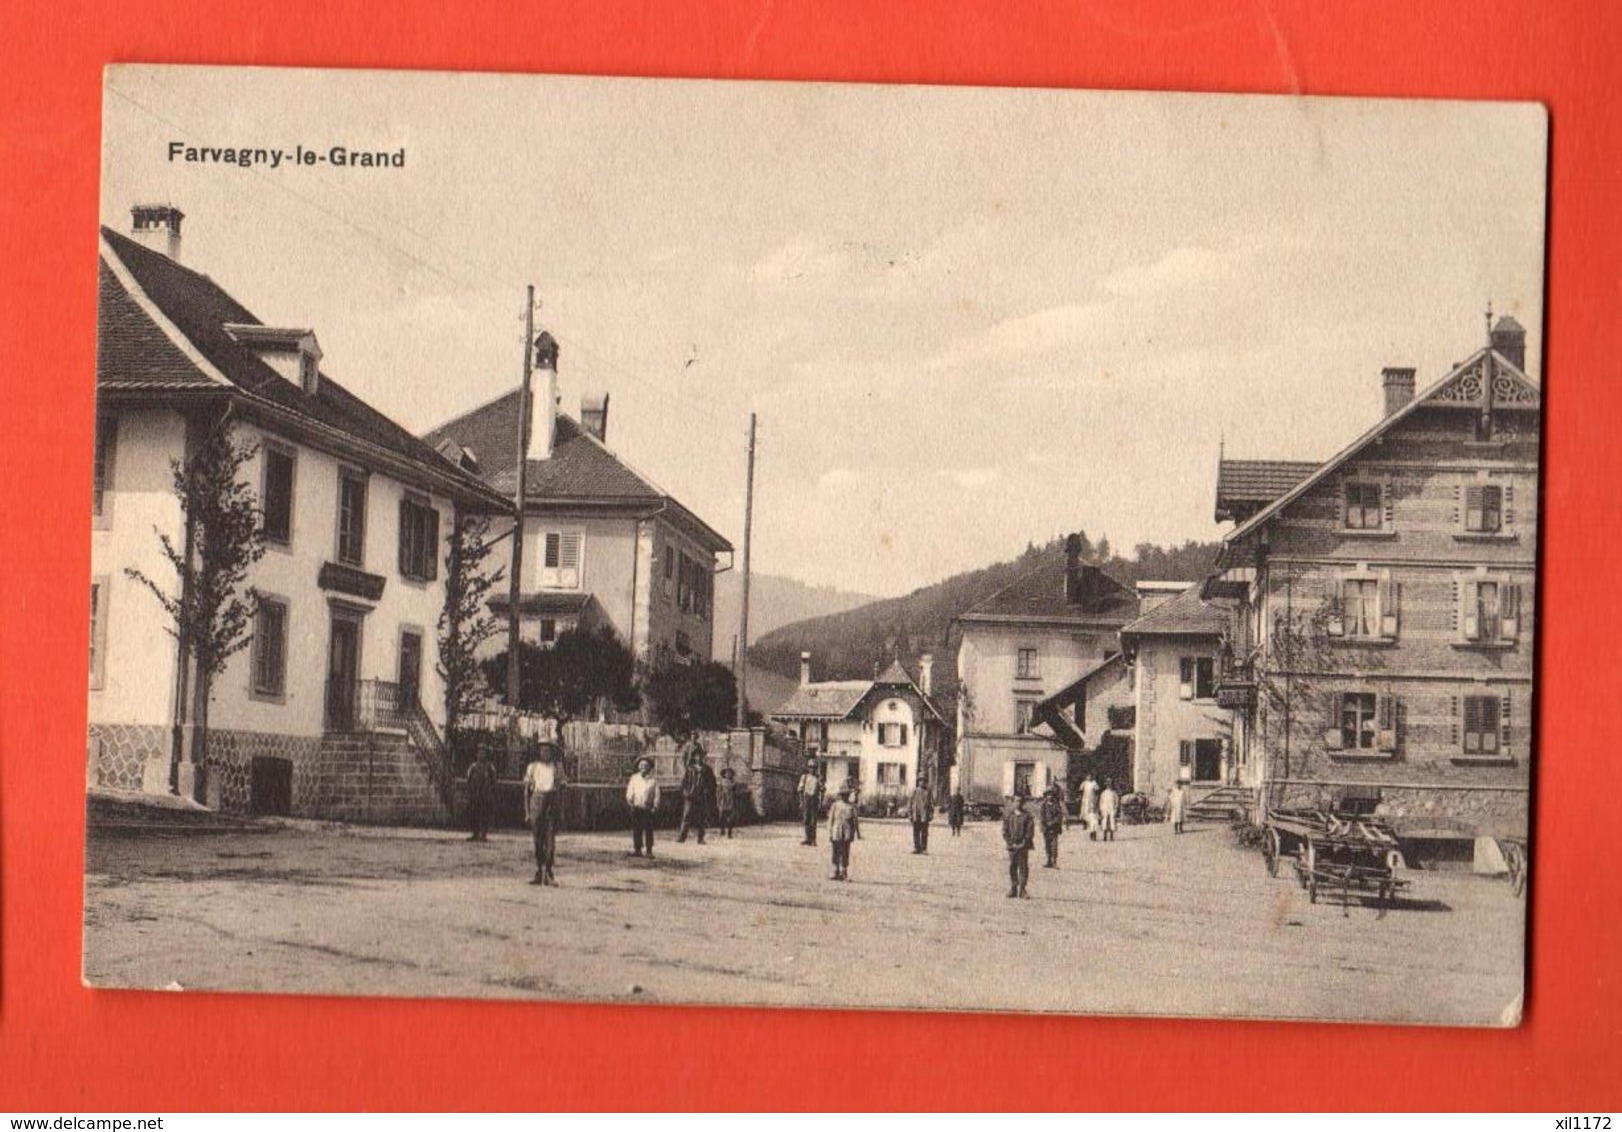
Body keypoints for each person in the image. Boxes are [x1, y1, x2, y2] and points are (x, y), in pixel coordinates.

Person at [524, 742, 565, 886]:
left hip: (552, 802)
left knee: (550, 840)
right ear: (539, 752)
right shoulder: (533, 767)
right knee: (537, 840)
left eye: (548, 750)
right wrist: (527, 812)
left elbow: (561, 789)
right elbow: (527, 791)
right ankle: (538, 871)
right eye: (543, 750)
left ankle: (548, 871)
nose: (545, 753)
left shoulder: (557, 767)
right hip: (537, 801)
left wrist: (560, 810)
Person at [676, 743, 715, 844]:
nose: (699, 758)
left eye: (701, 755)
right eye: (696, 755)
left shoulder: (707, 770)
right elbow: (684, 783)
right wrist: (686, 793)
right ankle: (682, 837)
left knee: (701, 817)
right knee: (686, 816)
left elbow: (712, 783)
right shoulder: (689, 770)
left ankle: (700, 838)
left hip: (702, 796)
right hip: (690, 796)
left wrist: (708, 792)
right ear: (693, 757)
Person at [625, 755, 661, 858]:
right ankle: (638, 849)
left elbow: (657, 795)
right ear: (638, 767)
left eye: (646, 766)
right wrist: (630, 802)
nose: (643, 767)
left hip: (648, 809)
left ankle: (649, 851)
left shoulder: (653, 781)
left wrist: (655, 806)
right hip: (636, 807)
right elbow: (630, 792)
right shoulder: (634, 778)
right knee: (637, 829)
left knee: (648, 829)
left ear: (649, 767)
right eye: (641, 765)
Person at [1002, 791, 1035, 898]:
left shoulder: (1027, 816)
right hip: (1012, 846)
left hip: (1023, 846)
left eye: (1021, 801)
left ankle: (1023, 889)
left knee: (1023, 867)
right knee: (1012, 866)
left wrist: (1023, 843)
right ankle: (1013, 888)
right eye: (1016, 801)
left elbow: (1030, 832)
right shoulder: (1008, 815)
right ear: (1012, 802)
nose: (1018, 803)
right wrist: (1010, 842)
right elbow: (1005, 831)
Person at [464, 748, 498, 842]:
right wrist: (470, 791)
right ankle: (475, 834)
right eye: (479, 753)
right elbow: (468, 778)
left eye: (483, 753)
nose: (481, 755)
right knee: (474, 815)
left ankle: (483, 835)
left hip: (485, 795)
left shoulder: (490, 766)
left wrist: (491, 791)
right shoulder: (473, 766)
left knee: (484, 815)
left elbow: (493, 780)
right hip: (475, 795)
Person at [827, 787, 860, 881]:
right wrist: (830, 832)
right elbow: (831, 819)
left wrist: (856, 833)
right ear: (840, 796)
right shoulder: (835, 805)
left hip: (847, 830)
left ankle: (843, 871)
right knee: (835, 851)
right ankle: (835, 871)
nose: (844, 797)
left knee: (845, 851)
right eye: (843, 795)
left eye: (846, 795)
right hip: (836, 830)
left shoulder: (851, 806)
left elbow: (855, 821)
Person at [797, 757, 824, 846]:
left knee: (813, 820)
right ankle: (807, 838)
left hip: (814, 799)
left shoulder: (819, 778)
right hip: (806, 799)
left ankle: (813, 839)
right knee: (806, 820)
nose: (812, 769)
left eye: (814, 767)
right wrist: (801, 802)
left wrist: (821, 801)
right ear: (808, 768)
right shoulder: (804, 777)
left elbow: (822, 790)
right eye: (811, 767)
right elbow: (800, 790)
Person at [1039, 783, 1066, 867]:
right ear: (1046, 796)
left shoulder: (1056, 805)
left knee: (1054, 845)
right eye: (1048, 795)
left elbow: (1059, 815)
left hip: (1054, 828)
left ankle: (1054, 861)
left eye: (1051, 795)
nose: (1049, 797)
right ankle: (1048, 860)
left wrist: (1053, 822)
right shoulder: (1043, 805)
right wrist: (1045, 823)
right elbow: (1041, 815)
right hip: (1046, 828)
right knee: (1047, 845)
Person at [907, 777, 933, 854]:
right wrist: (910, 814)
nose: (922, 782)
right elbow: (910, 803)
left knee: (924, 832)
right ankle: (917, 848)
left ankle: (924, 848)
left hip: (924, 815)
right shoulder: (914, 791)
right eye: (920, 781)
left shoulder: (928, 791)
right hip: (916, 814)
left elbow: (931, 803)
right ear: (918, 782)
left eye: (923, 781)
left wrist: (931, 814)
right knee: (916, 832)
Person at [716, 766, 739, 839]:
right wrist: (718, 801)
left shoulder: (734, 783)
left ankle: (729, 833)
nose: (728, 774)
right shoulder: (721, 782)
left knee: (731, 818)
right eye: (727, 773)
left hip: (731, 801)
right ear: (724, 774)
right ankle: (722, 830)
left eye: (730, 773)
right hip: (723, 801)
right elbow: (718, 792)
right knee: (721, 817)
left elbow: (736, 793)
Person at [1081, 772, 1101, 841]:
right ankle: (1085, 824)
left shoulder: (1094, 783)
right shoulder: (1084, 783)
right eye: (1087, 776)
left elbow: (1097, 792)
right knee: (1086, 814)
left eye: (1090, 776)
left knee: (1093, 817)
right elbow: (1081, 791)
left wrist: (1096, 800)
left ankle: (1093, 833)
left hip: (1092, 800)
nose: (1089, 777)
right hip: (1085, 800)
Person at [1099, 777, 1120, 843]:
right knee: (1105, 821)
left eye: (1110, 784)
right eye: (1107, 785)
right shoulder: (1103, 793)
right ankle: (1105, 836)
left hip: (1112, 808)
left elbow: (1117, 801)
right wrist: (1101, 809)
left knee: (1112, 821)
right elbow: (1101, 801)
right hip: (1105, 808)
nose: (1108, 786)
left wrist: (1116, 808)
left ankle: (1111, 836)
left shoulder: (1114, 793)